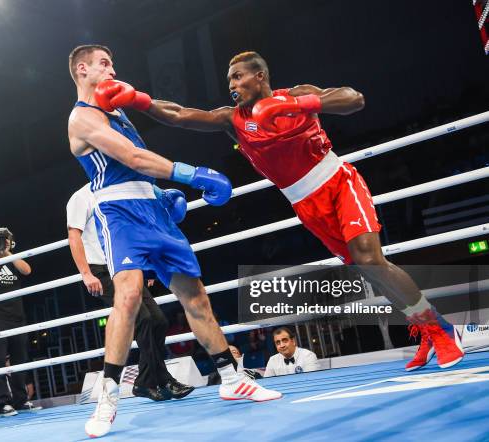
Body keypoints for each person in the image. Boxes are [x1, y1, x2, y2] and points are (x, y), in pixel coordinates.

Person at [92, 51, 464, 373]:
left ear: (260, 76)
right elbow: (178, 114)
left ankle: (441, 329)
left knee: (370, 258)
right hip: (304, 203)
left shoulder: (296, 94)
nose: (232, 84)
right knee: (368, 271)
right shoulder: (232, 119)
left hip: (337, 182)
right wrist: (138, 99)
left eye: (238, 76)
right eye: (228, 79)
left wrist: (293, 106)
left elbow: (354, 99)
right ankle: (429, 328)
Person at [67, 44, 282, 438]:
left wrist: (162, 194)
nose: (112, 68)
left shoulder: (120, 112)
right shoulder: (82, 118)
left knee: (195, 295)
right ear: (82, 69)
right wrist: (192, 174)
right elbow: (132, 159)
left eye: (113, 61)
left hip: (154, 211)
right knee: (128, 296)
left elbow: (142, 166)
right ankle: (108, 397)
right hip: (122, 216)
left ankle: (231, 379)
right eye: (103, 63)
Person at [67, 182, 195, 402]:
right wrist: (86, 274)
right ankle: (162, 380)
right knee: (143, 319)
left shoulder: (118, 193)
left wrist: (147, 267)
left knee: (159, 320)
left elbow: (133, 231)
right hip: (101, 270)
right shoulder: (81, 196)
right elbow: (74, 235)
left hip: (126, 266)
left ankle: (146, 382)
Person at [0, 228, 39, 417]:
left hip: (18, 317)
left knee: (19, 360)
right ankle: (3, 403)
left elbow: (27, 270)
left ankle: (21, 400)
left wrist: (6, 253)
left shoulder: (11, 260)